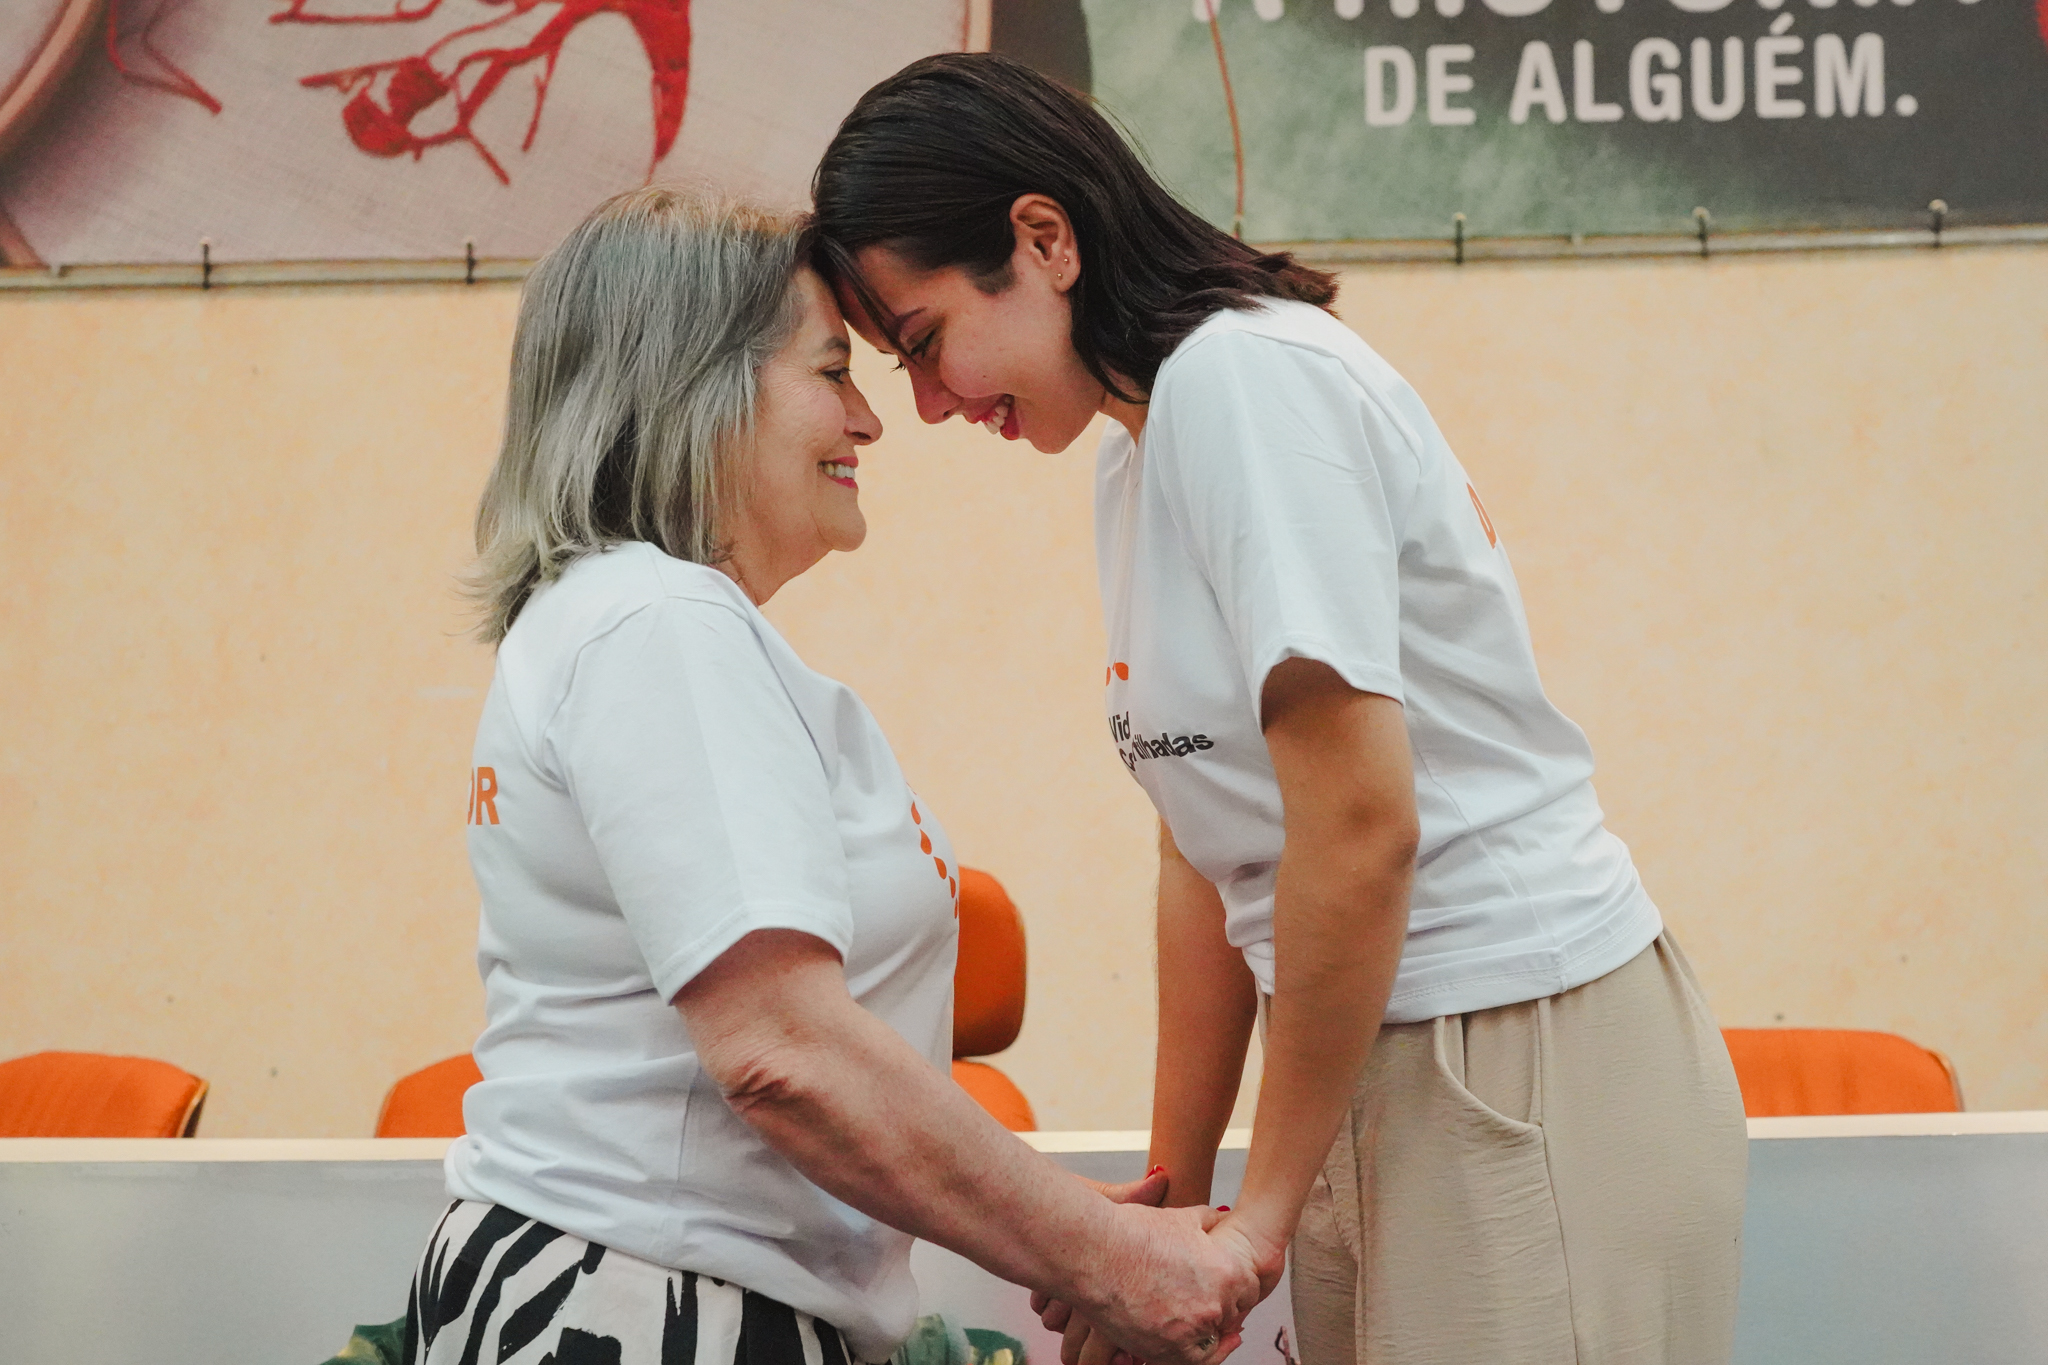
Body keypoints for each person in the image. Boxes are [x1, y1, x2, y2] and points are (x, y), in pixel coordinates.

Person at [810, 55, 1749, 1365]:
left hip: (1514, 1041)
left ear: (1043, 239)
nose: (927, 403)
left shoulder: (1242, 382)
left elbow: (1361, 827)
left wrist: (1250, 1226)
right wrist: (1180, 1194)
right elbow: (1210, 846)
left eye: (922, 341)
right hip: (1377, 1061)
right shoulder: (1135, 457)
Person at [415, 187, 1260, 1365]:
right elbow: (782, 1052)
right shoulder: (656, 625)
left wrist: (1048, 1220)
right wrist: (1101, 1256)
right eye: (833, 372)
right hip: (647, 1309)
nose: (871, 420)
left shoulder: (635, 624)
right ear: (693, 390)